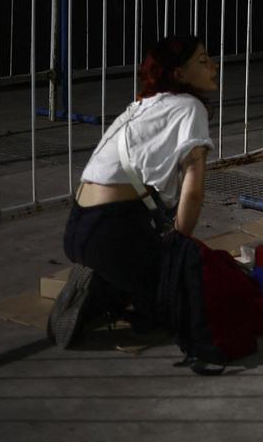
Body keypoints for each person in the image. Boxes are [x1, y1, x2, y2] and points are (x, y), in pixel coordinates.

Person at [53, 35, 218, 346]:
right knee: (182, 292)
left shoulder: (143, 105)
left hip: (79, 227)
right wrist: (179, 255)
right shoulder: (189, 107)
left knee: (154, 248)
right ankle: (107, 296)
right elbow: (193, 192)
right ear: (179, 74)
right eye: (203, 60)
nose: (215, 66)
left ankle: (104, 279)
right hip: (111, 232)